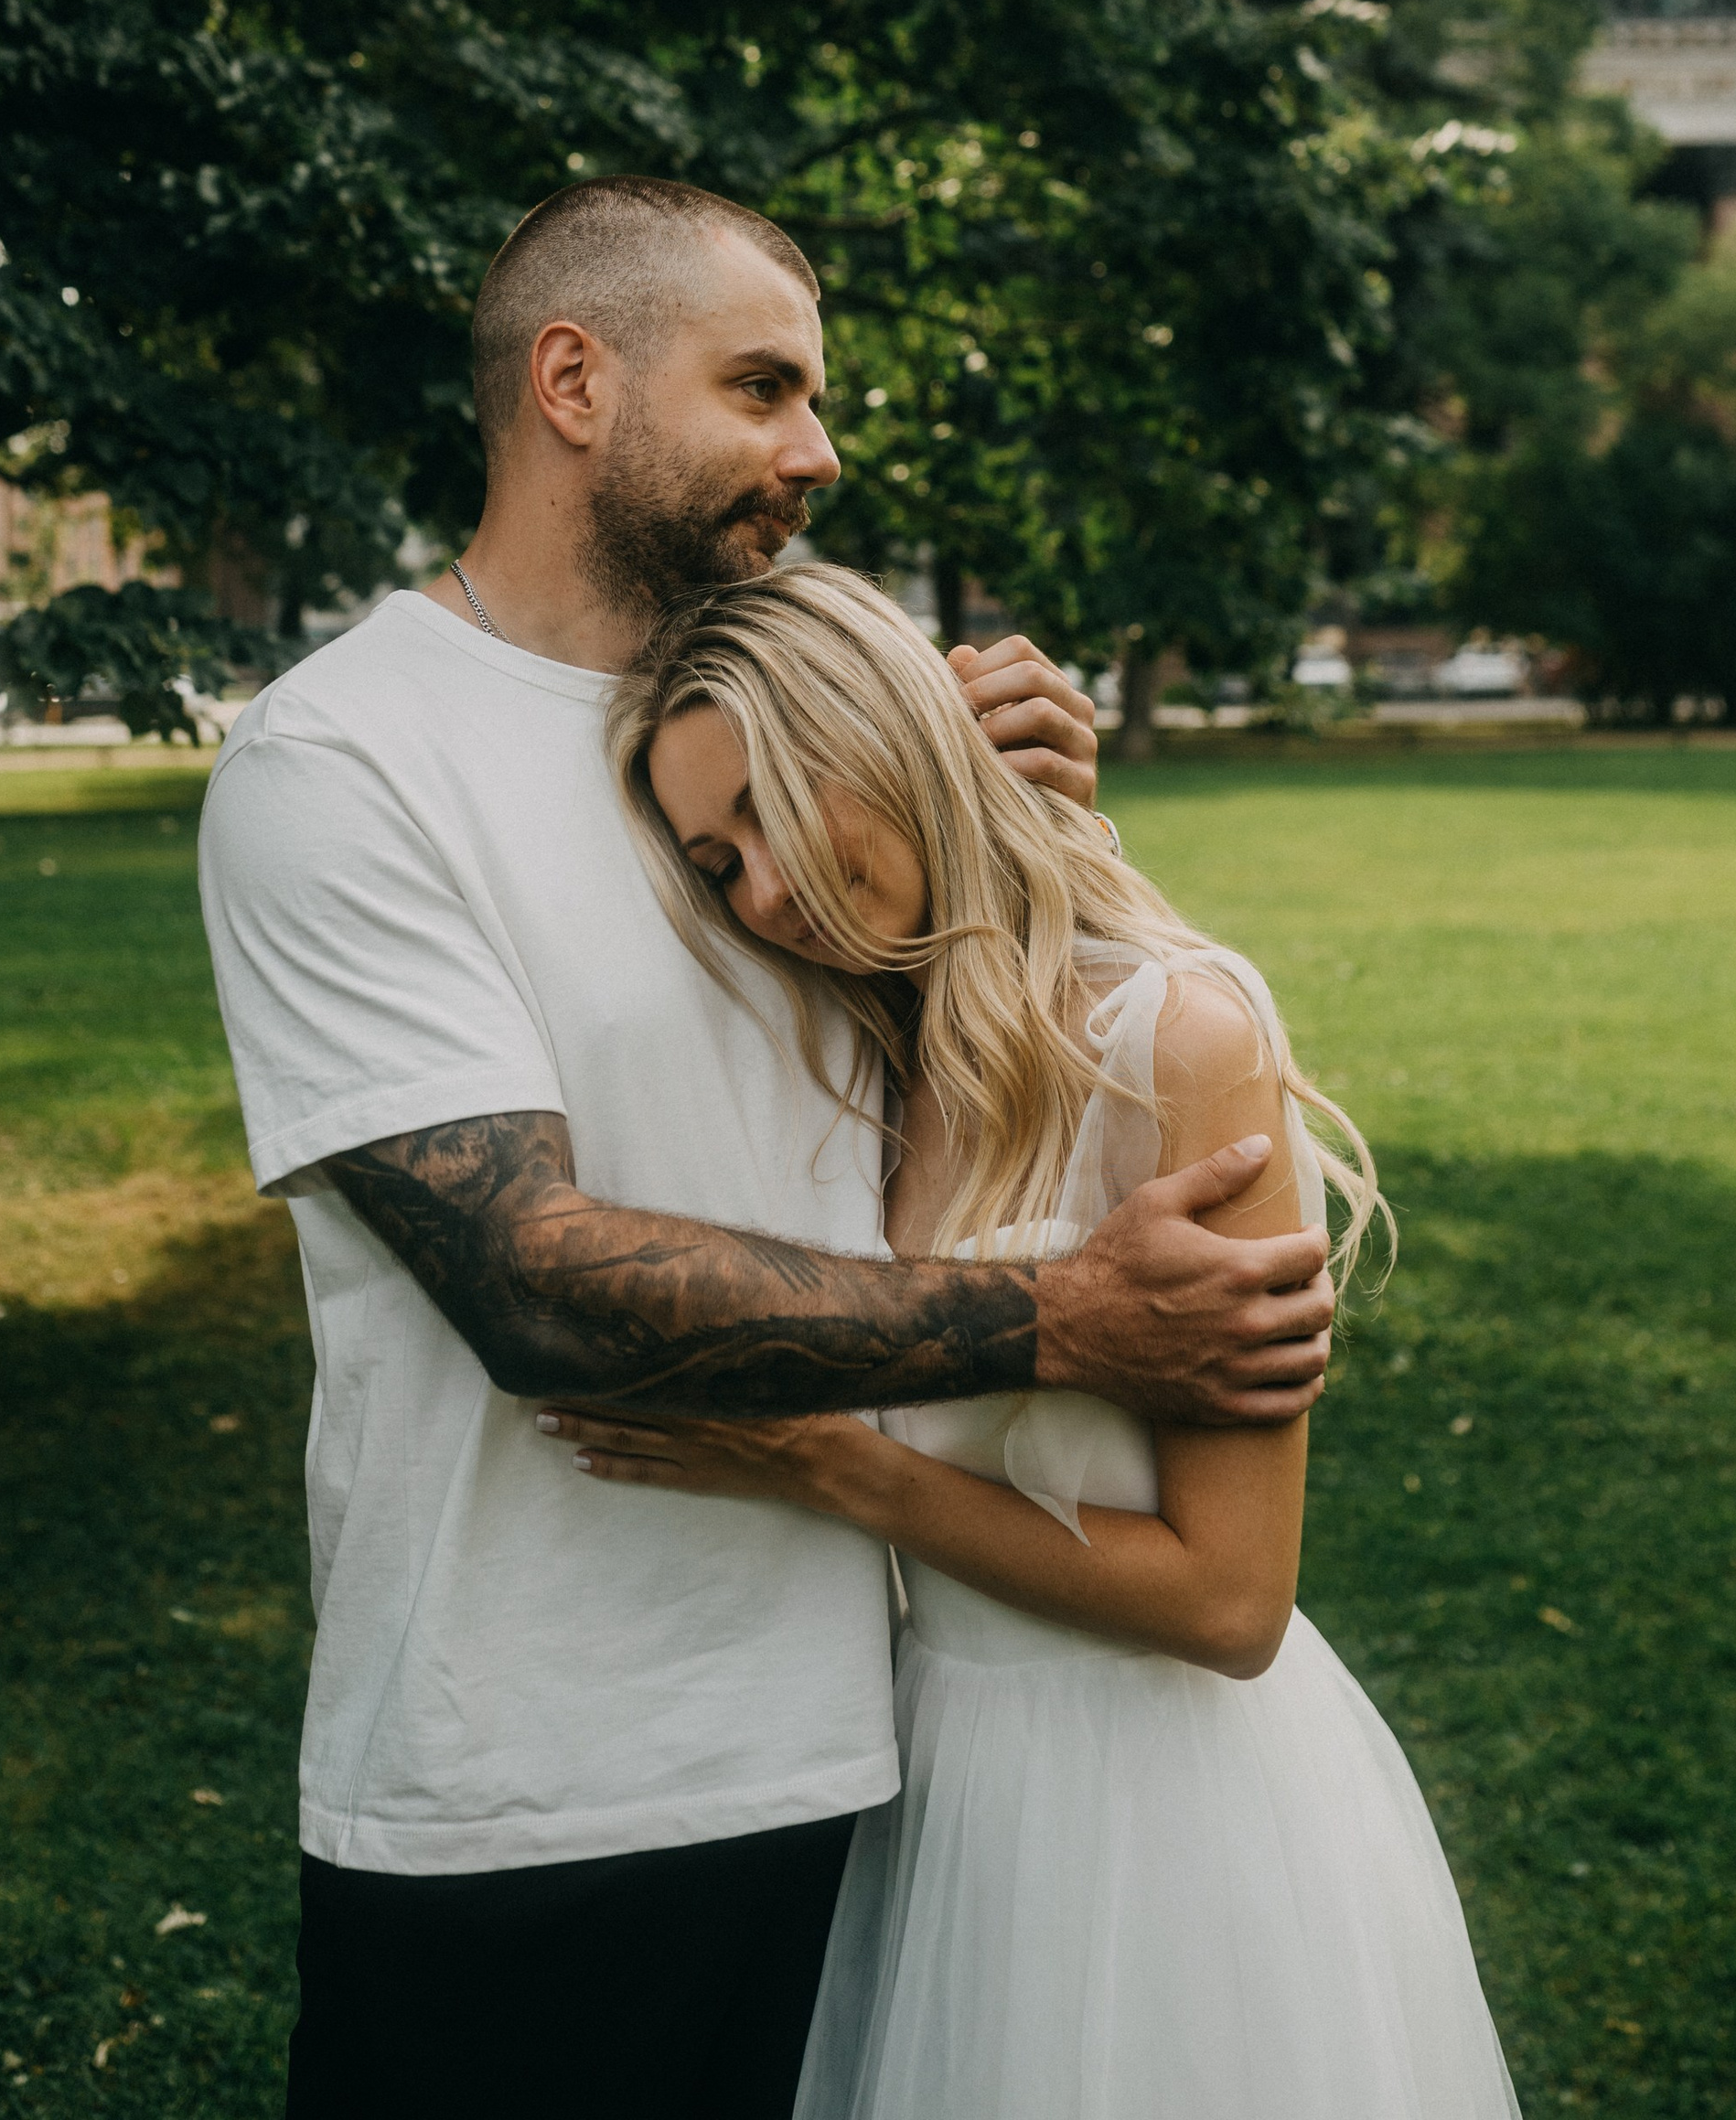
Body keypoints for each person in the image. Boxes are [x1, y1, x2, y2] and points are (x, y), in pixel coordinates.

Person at [197, 177, 1338, 2120]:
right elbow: (532, 1285)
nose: (816, 449)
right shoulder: (345, 763)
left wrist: (1001, 830)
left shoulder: (767, 729)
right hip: (532, 1772)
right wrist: (1058, 1320)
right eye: (762, 387)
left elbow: (970, 1055)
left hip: (876, 1757)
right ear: (573, 379)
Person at [545, 559, 1522, 2120]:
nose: (767, 895)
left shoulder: (1178, 1037)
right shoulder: (850, 1064)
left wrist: (835, 1470)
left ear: (887, 738)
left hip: (1158, 1817)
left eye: (781, 807)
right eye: (718, 860)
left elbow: (1230, 1597)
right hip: (927, 1781)